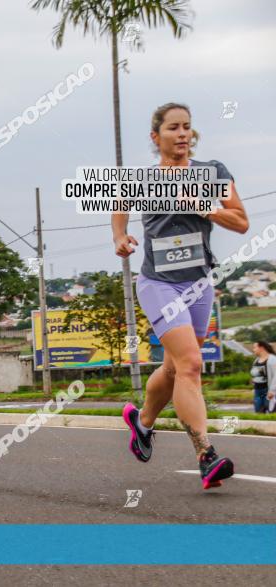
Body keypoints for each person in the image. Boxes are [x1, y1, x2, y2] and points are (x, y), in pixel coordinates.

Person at [114, 103, 249, 490]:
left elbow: (240, 222)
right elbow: (118, 206)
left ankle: (142, 422)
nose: (183, 133)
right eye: (174, 127)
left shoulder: (213, 173)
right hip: (158, 284)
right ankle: (205, 455)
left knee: (175, 369)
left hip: (199, 284)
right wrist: (119, 237)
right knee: (191, 365)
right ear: (157, 137)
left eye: (187, 127)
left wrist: (204, 208)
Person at [250, 341, 276, 413]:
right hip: (258, 390)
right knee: (259, 412)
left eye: (255, 347)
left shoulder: (273, 359)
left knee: (272, 412)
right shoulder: (256, 360)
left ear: (261, 348)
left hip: (268, 390)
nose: (253, 349)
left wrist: (272, 391)